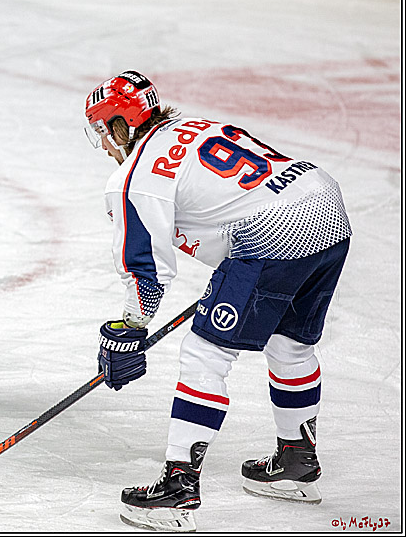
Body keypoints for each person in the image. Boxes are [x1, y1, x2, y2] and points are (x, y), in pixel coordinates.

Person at [85, 71, 351, 532]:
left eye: (103, 131)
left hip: (273, 233)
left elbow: (146, 271)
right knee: (290, 345)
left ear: (117, 125)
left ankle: (177, 489)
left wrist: (130, 330)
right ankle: (296, 463)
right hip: (326, 204)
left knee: (204, 354)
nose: (104, 145)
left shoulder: (133, 177)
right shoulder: (193, 126)